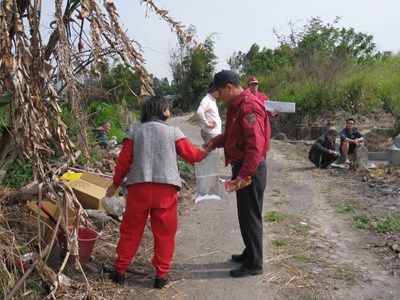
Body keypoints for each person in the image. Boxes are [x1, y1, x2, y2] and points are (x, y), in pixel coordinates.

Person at [106, 96, 206, 288]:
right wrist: (207, 151)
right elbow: (192, 156)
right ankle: (161, 276)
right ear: (162, 110)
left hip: (138, 189)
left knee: (130, 231)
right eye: (168, 109)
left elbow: (123, 162)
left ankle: (119, 271)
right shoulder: (174, 131)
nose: (170, 111)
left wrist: (115, 184)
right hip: (166, 190)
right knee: (165, 234)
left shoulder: (134, 131)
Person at [202, 70, 270, 278]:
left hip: (250, 169)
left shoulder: (248, 107)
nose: (218, 97)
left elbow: (255, 147)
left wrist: (245, 175)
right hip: (243, 168)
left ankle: (254, 263)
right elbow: (232, 135)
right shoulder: (236, 106)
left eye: (219, 92)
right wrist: (214, 142)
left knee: (250, 216)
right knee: (245, 213)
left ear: (229, 88)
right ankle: (250, 252)